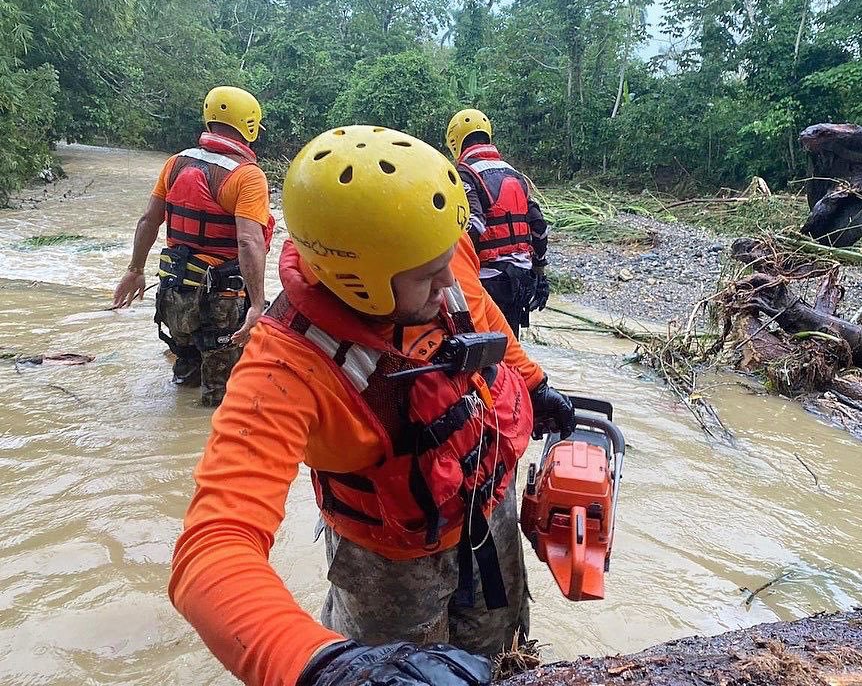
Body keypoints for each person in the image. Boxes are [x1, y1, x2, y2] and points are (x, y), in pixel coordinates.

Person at [168, 126, 576, 686]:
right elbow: (210, 553)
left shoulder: (429, 251)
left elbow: (482, 315)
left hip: (486, 509)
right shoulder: (284, 368)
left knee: (503, 657)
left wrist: (533, 383)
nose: (449, 280)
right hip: (389, 563)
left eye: (448, 260)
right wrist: (327, 667)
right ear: (362, 280)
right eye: (429, 276)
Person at [112, 86, 274, 407]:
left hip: (174, 295)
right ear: (250, 125)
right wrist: (257, 305)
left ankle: (176, 429)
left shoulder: (175, 163)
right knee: (221, 399)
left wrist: (134, 270)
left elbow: (148, 220)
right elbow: (249, 240)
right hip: (222, 303)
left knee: (185, 379)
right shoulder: (248, 177)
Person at [445, 109, 550, 337]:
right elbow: (539, 226)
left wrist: (446, 262)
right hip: (522, 278)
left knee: (481, 345)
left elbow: (474, 224)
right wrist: (540, 273)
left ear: (455, 141)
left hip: (489, 279)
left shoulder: (465, 173)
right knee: (510, 344)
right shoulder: (515, 174)